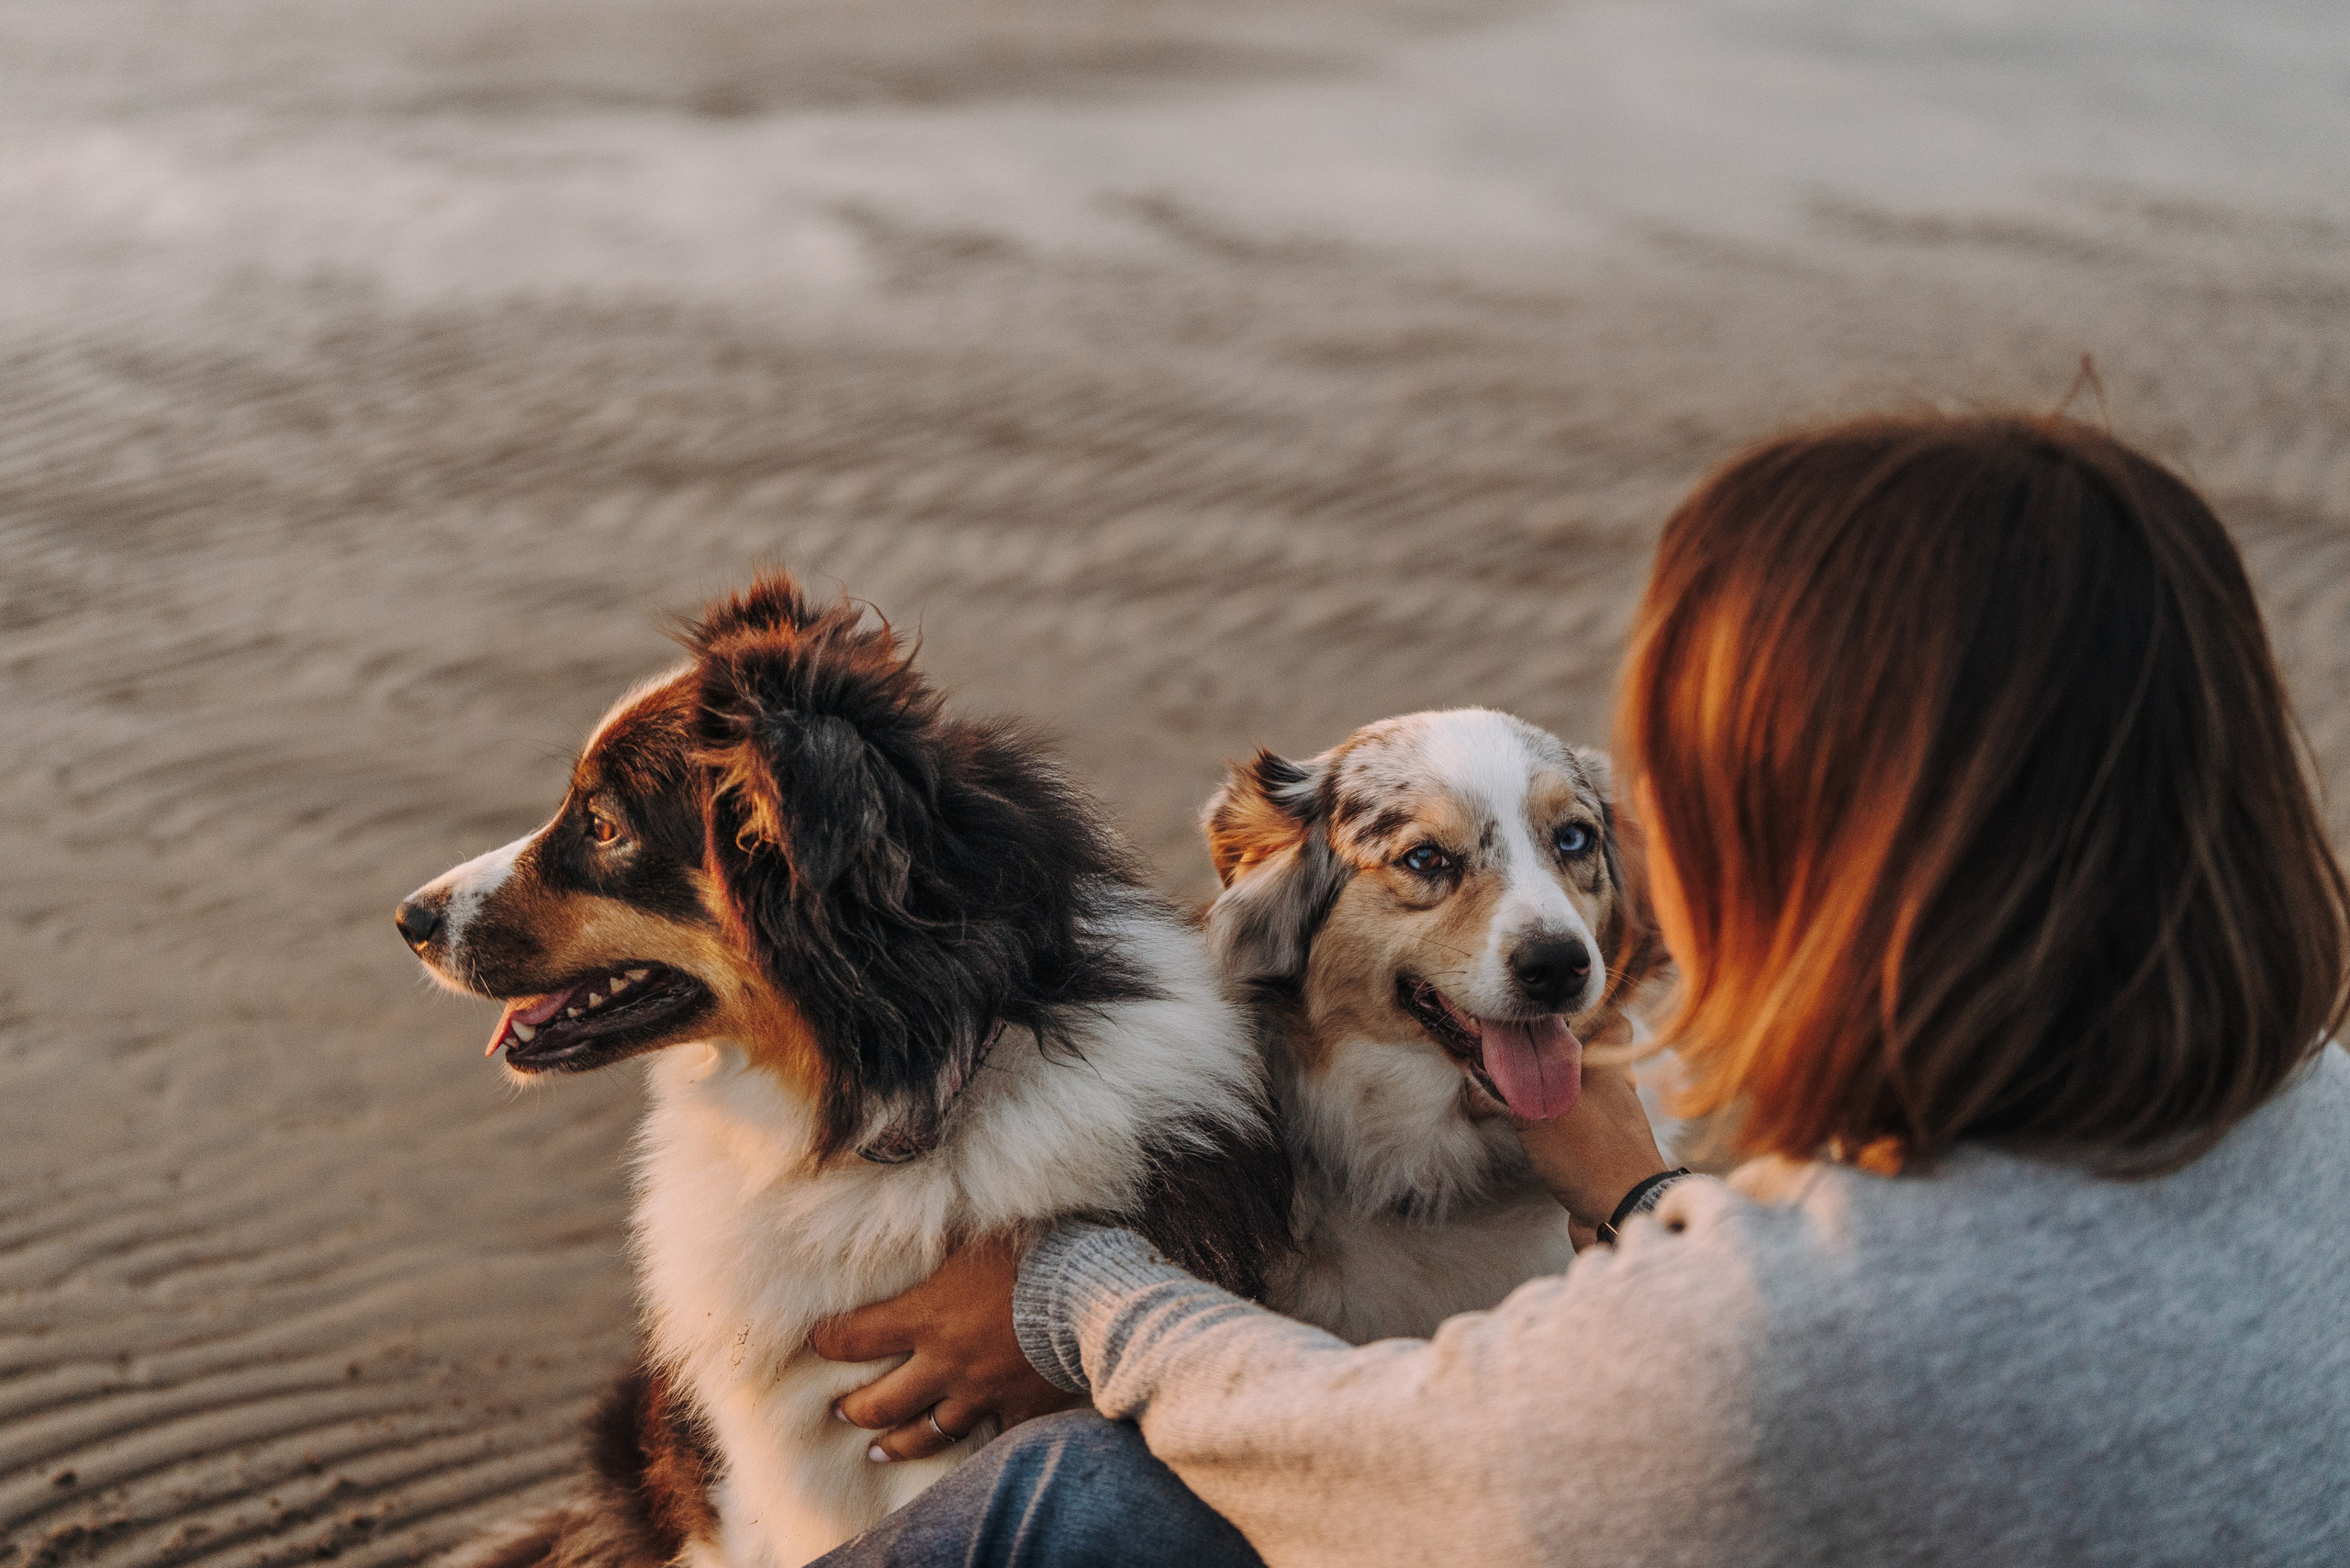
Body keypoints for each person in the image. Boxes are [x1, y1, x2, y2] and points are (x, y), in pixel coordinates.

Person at [807, 413, 2350, 1567]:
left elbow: (1385, 1463)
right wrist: (1641, 1198)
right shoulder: (2318, 1126)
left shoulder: (1816, 1326)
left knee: (1092, 1502)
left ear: (1851, 836)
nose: (1648, 842)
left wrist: (1072, 1290)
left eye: (1688, 762)